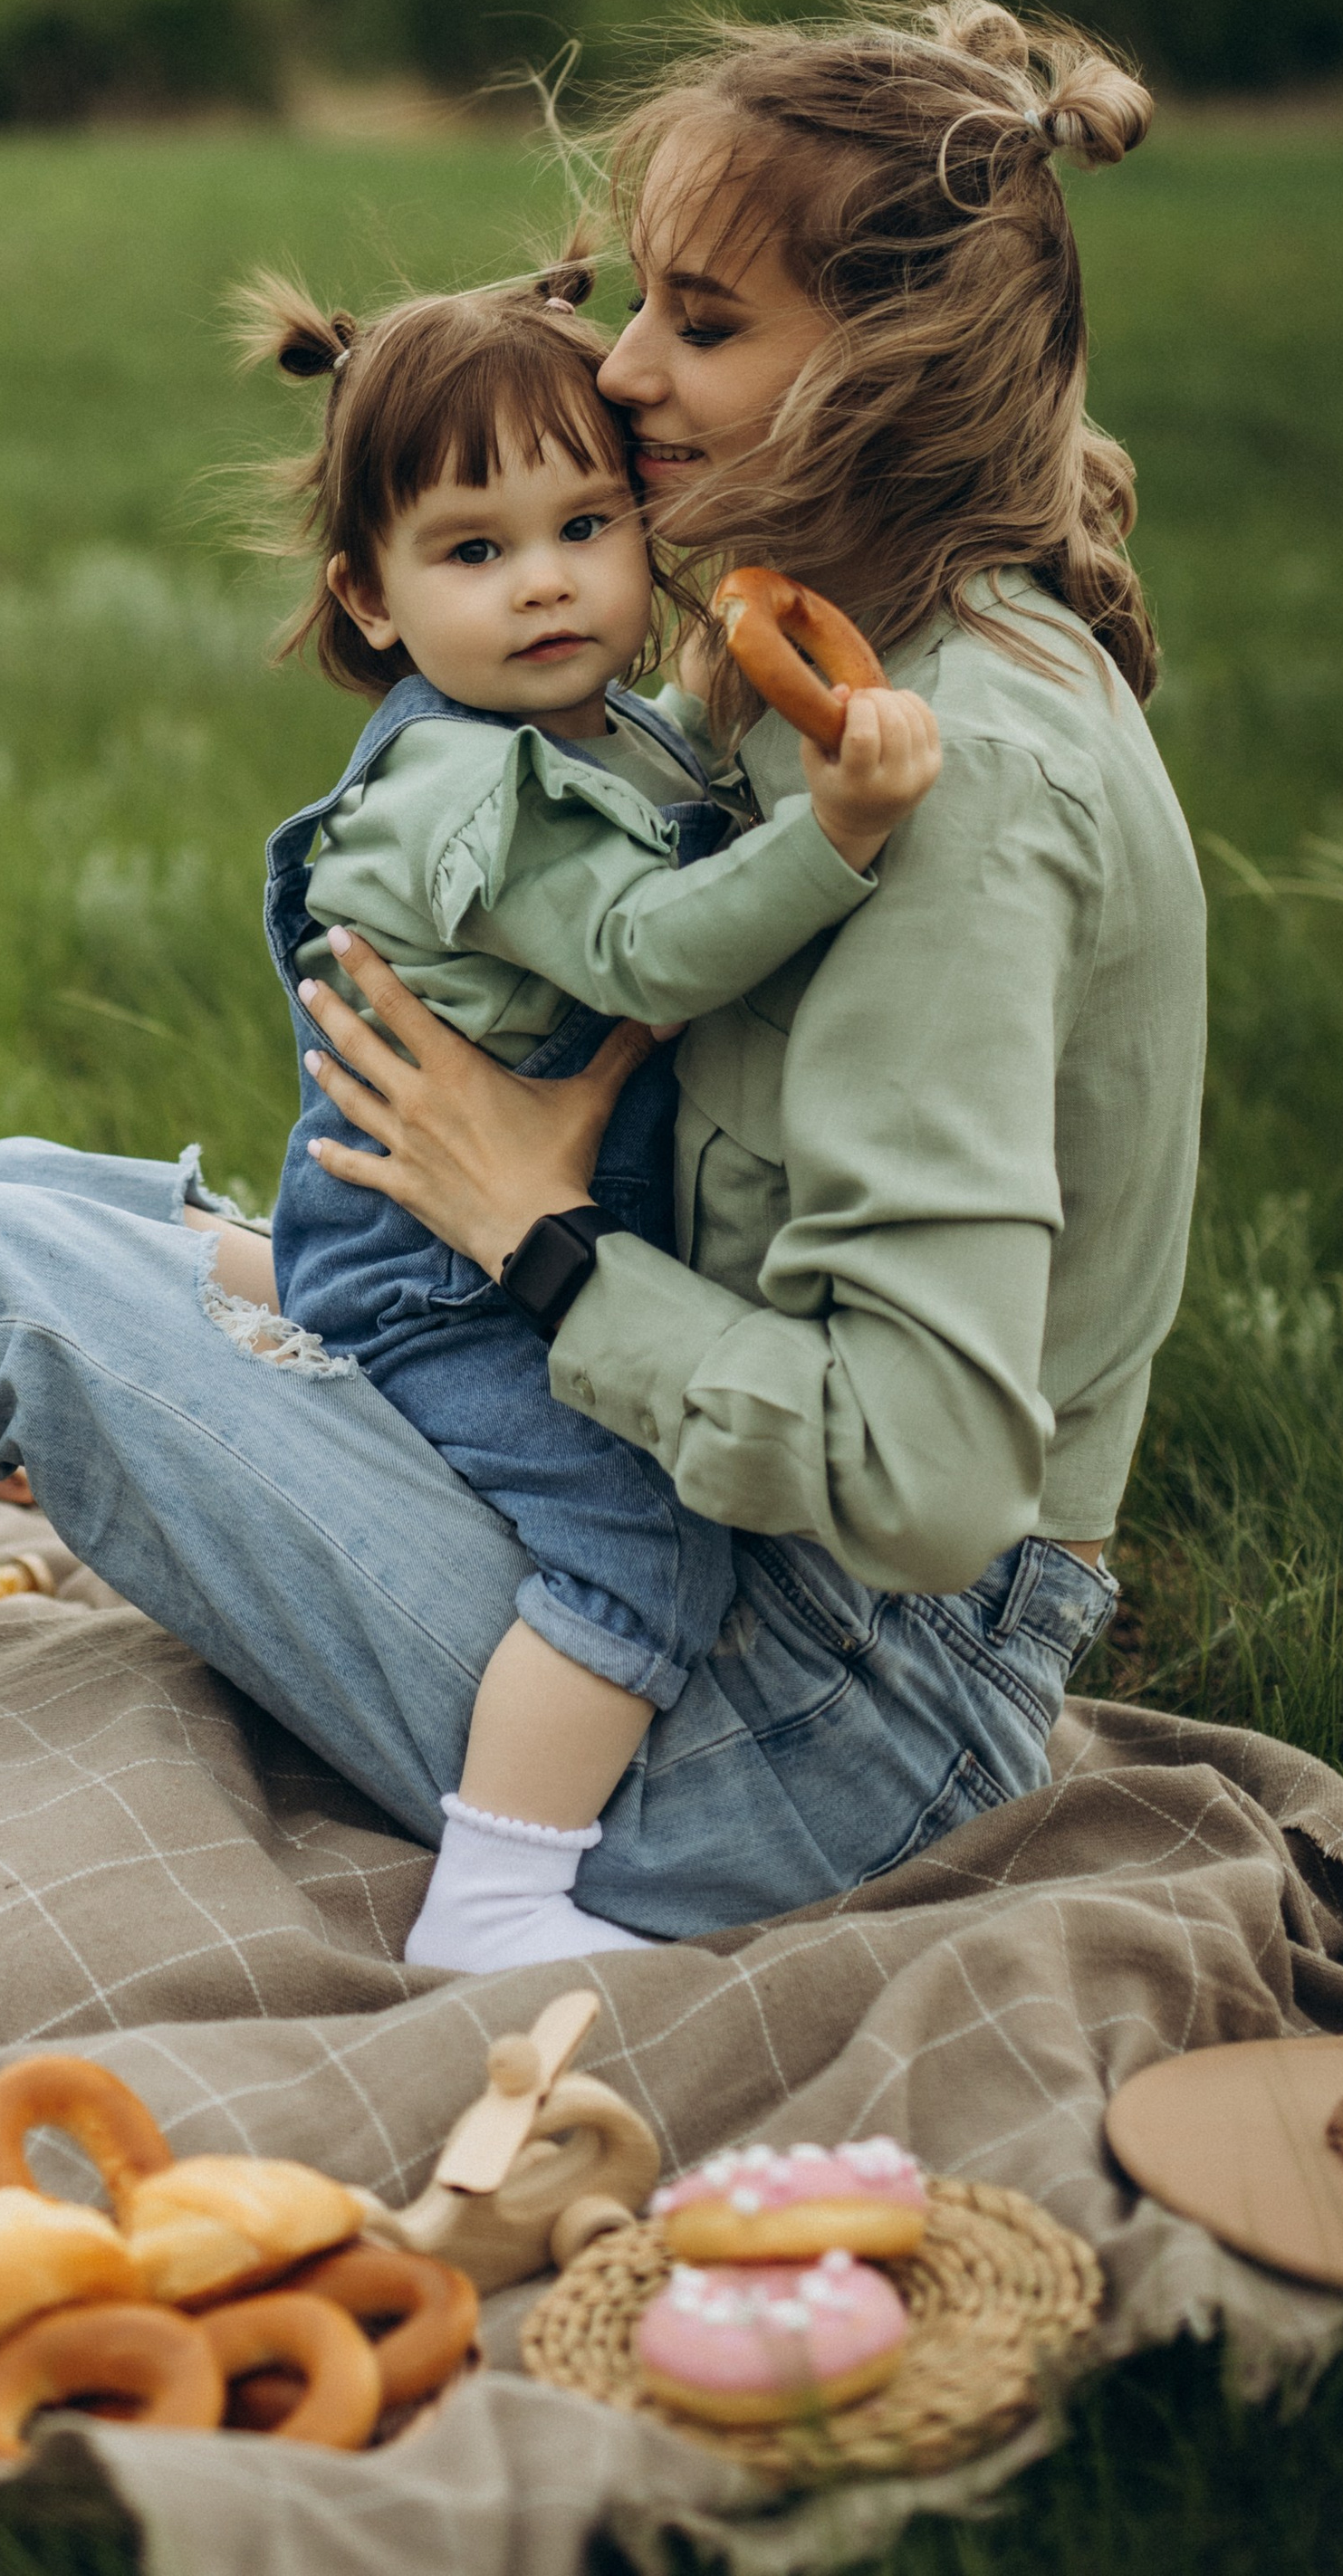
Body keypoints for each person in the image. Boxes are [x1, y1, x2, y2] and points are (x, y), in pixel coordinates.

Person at [0, 0, 1204, 1970]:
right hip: (737, 1600)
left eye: (699, 325)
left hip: (793, 1732)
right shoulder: (863, 660)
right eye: (638, 304)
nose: (617, 374)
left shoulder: (956, 797)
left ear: (893, 361)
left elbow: (931, 1479)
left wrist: (531, 1241)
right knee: (33, 1200)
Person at [234, 265, 941, 1967]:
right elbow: (646, 945)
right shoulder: (474, 783)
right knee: (644, 1534)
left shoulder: (590, 723)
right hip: (438, 1270)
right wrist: (833, 832)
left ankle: (255, 1307)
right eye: (474, 552)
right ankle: (496, 1894)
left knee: (635, 1494)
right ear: (374, 598)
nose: (544, 582)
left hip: (507, 1224)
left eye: (585, 526)